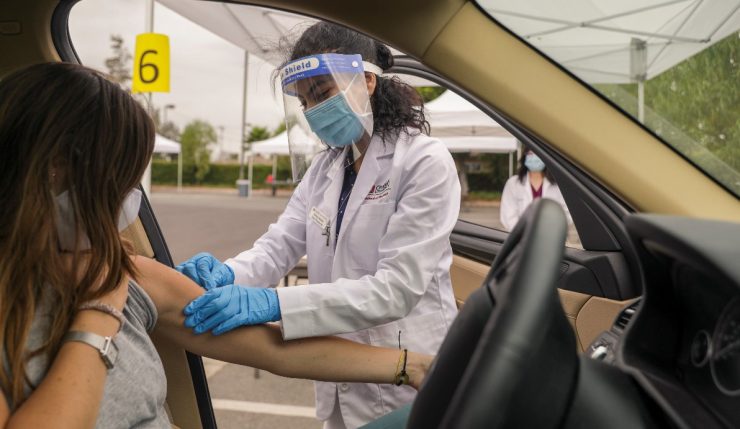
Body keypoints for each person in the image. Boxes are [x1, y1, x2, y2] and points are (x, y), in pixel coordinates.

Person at [0, 62, 432, 428]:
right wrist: (98, 314)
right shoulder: (104, 286)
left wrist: (411, 365)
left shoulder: (120, 272)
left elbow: (269, 347)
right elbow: (281, 242)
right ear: (56, 169)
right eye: (120, 179)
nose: (128, 200)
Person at [177, 22, 460, 428]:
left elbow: (396, 290)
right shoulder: (326, 168)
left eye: (323, 94)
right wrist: (227, 274)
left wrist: (274, 304)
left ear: (366, 81)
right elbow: (278, 246)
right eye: (305, 101)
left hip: (408, 378)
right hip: (339, 375)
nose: (313, 112)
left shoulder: (423, 161)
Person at [500, 149, 572, 231]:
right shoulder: (513, 183)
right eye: (530, 154)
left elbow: (567, 215)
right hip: (521, 239)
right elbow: (508, 216)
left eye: (538, 154)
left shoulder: (558, 186)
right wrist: (524, 234)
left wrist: (550, 231)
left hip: (550, 237)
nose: (534, 158)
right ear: (525, 157)